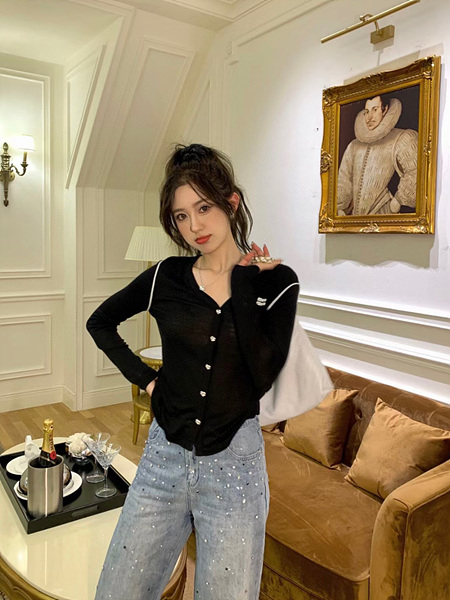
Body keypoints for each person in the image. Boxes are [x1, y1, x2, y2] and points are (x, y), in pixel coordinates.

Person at [86, 143, 299, 600]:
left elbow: (263, 375)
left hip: (235, 471)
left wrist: (243, 285)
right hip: (162, 459)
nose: (194, 226)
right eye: (181, 216)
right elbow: (99, 322)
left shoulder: (276, 282)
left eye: (203, 208)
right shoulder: (166, 276)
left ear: (231, 203)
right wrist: (146, 379)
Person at [337, 94, 418, 216]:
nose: (369, 117)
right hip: (355, 218)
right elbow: (344, 178)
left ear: (385, 110)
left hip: (384, 213)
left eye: (375, 110)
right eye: (367, 112)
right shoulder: (354, 145)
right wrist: (340, 209)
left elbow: (416, 171)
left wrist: (398, 201)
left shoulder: (400, 138)